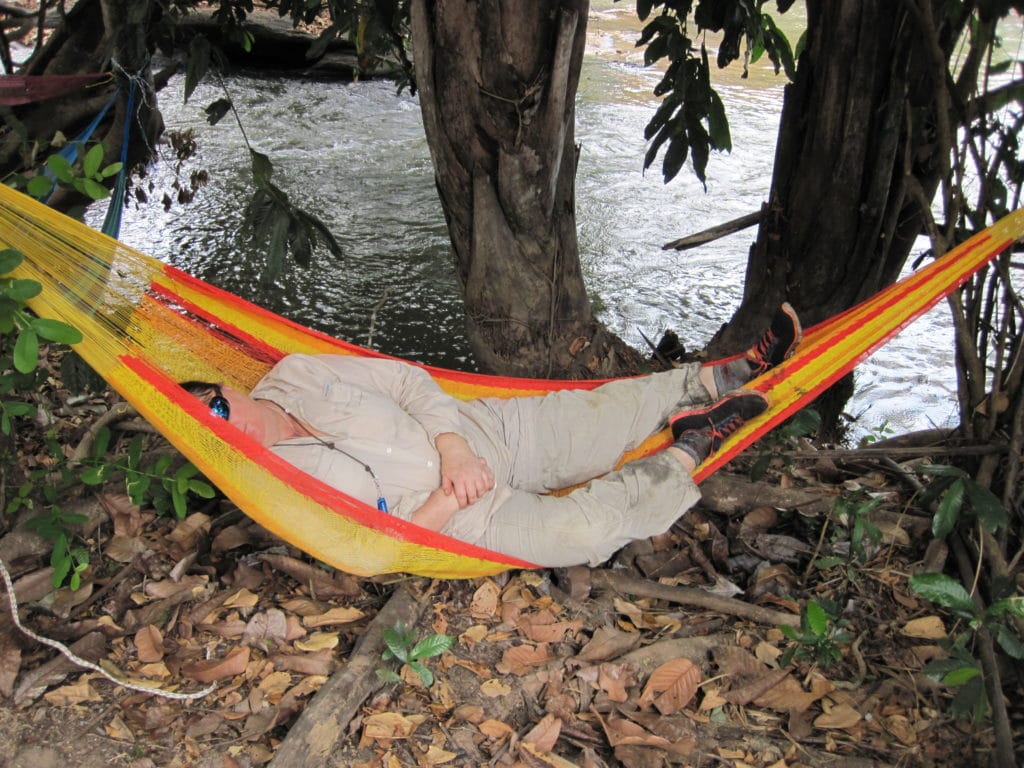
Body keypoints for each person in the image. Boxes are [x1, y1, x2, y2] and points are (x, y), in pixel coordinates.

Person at [182, 305, 801, 567]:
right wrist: (450, 497)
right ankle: (693, 444)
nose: (218, 417)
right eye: (205, 426)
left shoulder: (298, 372)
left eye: (212, 401)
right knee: (586, 533)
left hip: (485, 432)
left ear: (226, 387)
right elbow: (370, 553)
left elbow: (406, 381)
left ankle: (733, 370)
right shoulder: (269, 488)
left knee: (605, 417)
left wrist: (454, 447)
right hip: (461, 521)